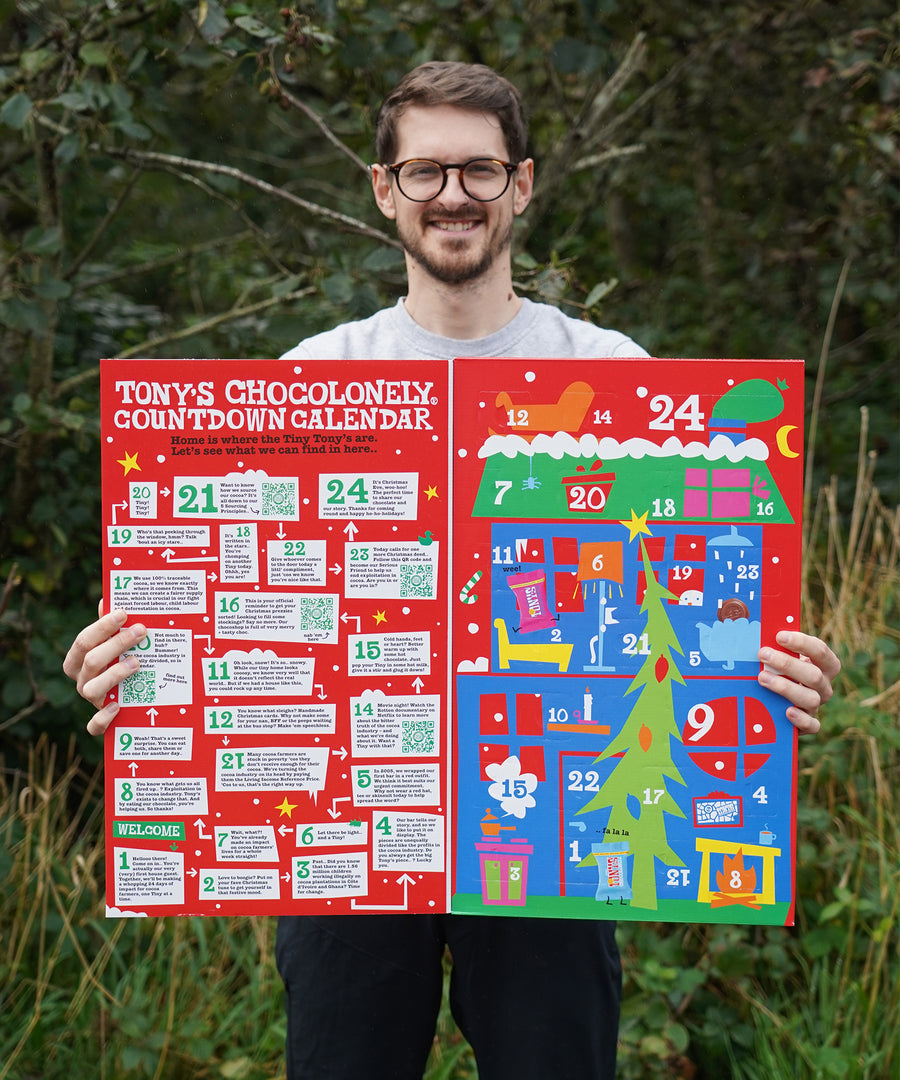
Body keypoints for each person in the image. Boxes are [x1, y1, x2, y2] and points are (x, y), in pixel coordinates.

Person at [64, 61, 841, 1080]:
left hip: (548, 842)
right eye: (426, 173)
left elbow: (693, 599)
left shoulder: (613, 376)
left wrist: (766, 672)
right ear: (385, 190)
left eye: (479, 171)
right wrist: (142, 676)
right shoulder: (316, 376)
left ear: (521, 184)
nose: (454, 197)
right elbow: (240, 619)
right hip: (347, 839)